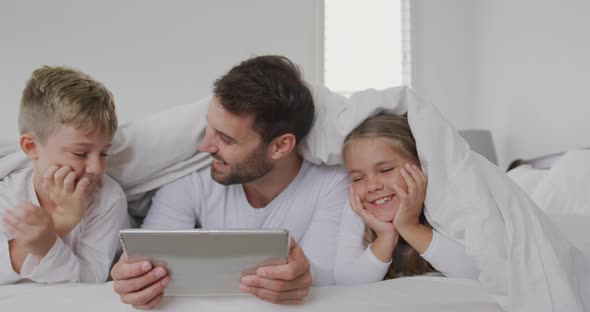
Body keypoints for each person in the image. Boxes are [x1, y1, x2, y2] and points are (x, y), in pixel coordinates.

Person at [110, 55, 348, 309]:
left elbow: (326, 277)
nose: (205, 146)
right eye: (209, 128)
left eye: (226, 139)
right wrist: (136, 280)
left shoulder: (332, 184)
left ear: (280, 145)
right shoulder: (189, 176)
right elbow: (147, 255)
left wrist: (306, 279)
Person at [0, 66, 129, 284]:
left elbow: (91, 280)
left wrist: (52, 233)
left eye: (104, 152)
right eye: (80, 153)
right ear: (32, 147)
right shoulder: (8, 193)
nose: (96, 168)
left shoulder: (108, 198)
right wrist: (60, 222)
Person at [334, 114, 479, 284]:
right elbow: (346, 284)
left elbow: (477, 272)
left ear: (421, 164)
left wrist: (409, 227)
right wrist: (385, 236)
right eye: (358, 178)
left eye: (386, 169)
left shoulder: (446, 199)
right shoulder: (358, 209)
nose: (372, 186)